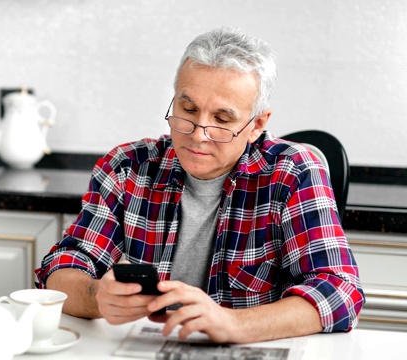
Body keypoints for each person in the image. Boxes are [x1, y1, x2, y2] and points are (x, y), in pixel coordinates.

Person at [35, 27, 364, 344]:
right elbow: (62, 268)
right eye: (188, 109)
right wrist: (97, 297)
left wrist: (233, 323)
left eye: (222, 119)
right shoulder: (126, 167)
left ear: (257, 125)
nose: (198, 133)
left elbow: (340, 292)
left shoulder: (293, 172)